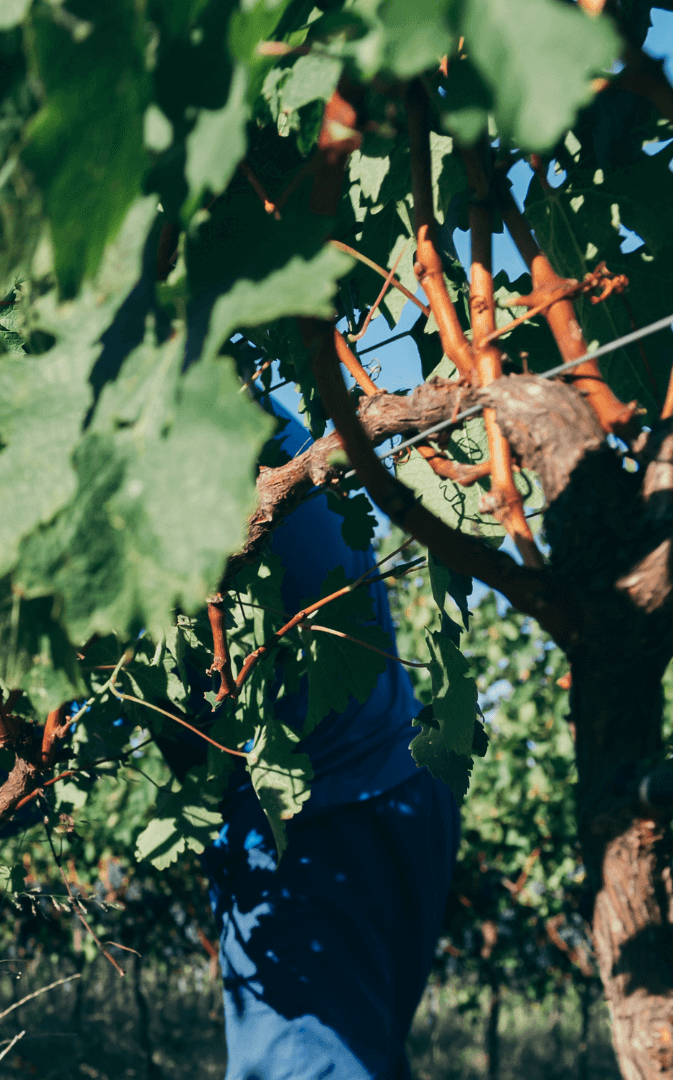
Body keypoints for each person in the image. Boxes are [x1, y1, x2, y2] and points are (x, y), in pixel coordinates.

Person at [201, 404, 459, 1079]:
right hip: (396, 790)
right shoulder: (267, 416)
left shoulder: (159, 429)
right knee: (354, 1055)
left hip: (311, 824)